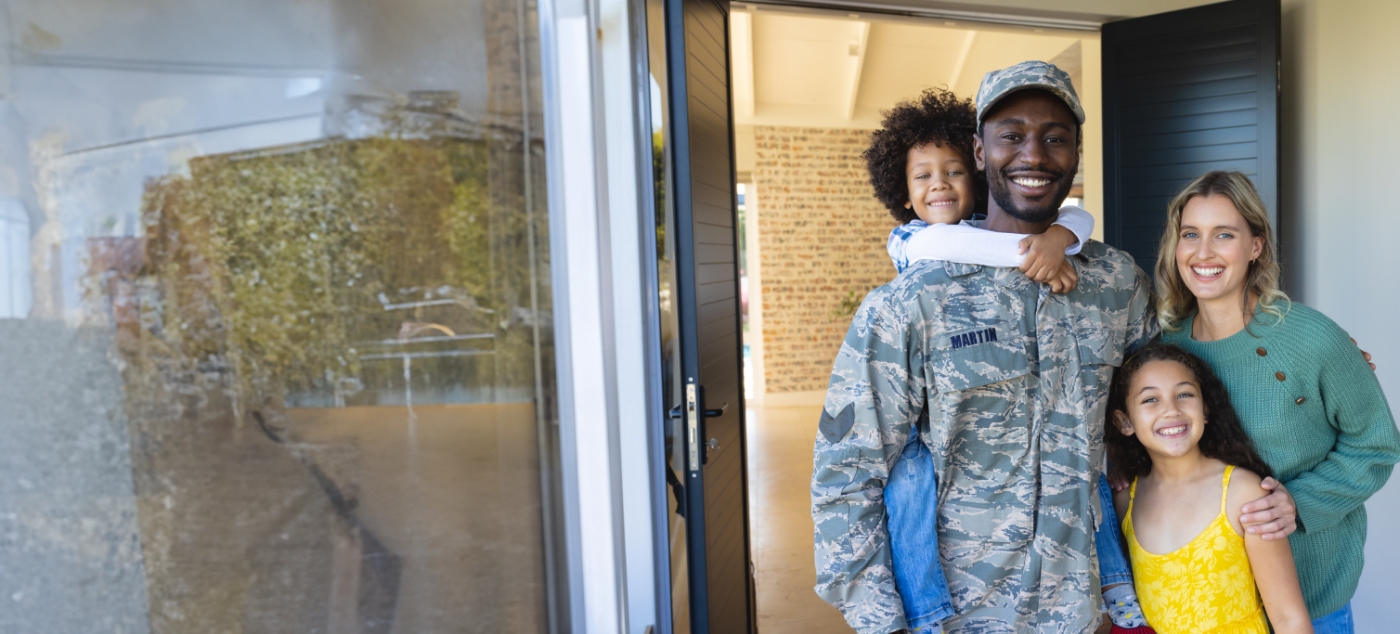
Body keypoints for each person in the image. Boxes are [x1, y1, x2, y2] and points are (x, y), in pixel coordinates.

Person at [812, 60, 1153, 634]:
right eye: (1012, 136)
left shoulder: (1116, 283)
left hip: (1083, 609)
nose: (1035, 155)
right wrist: (881, 621)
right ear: (978, 151)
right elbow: (847, 476)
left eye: (1055, 138)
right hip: (958, 613)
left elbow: (1173, 407)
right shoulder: (911, 303)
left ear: (1076, 153)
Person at [1149, 170, 1400, 633]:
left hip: (1309, 604)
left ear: (1256, 246)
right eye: (1190, 235)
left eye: (1224, 235)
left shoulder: (1312, 338)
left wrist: (1297, 502)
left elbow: (1376, 444)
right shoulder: (1165, 350)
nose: (1203, 253)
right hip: (1207, 610)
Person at [1106, 344, 1314, 634]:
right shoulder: (1125, 500)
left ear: (1205, 410)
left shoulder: (1244, 493)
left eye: (1184, 394)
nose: (1171, 410)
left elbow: (1288, 619)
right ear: (1124, 422)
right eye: (1151, 399)